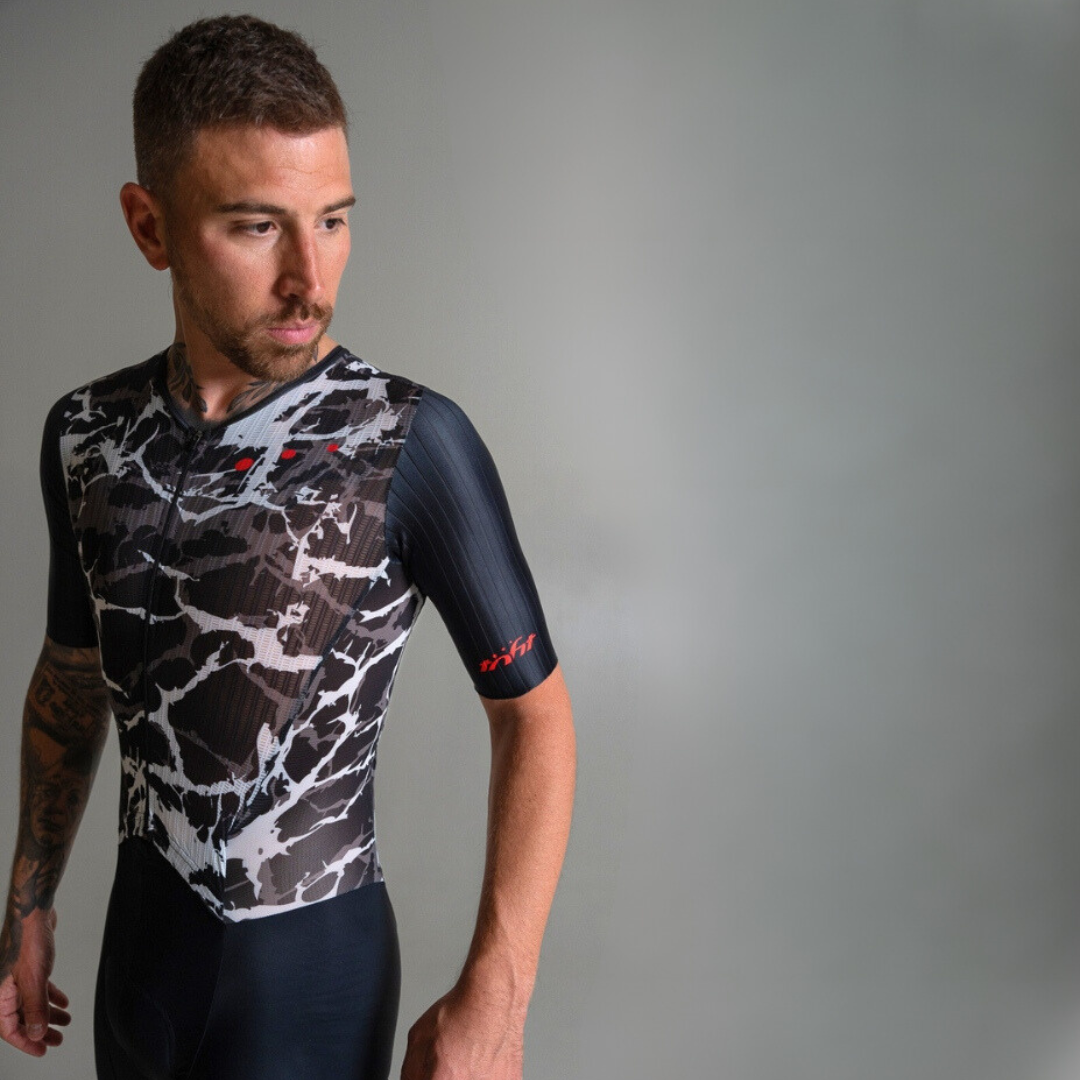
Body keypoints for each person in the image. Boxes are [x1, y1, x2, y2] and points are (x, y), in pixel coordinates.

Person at [0, 15, 575, 1080]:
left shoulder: (406, 443)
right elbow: (72, 677)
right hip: (140, 962)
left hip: (308, 973)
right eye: (259, 227)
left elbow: (533, 716)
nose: (311, 277)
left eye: (334, 220)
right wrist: (28, 907)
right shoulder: (85, 434)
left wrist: (498, 996)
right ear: (150, 226)